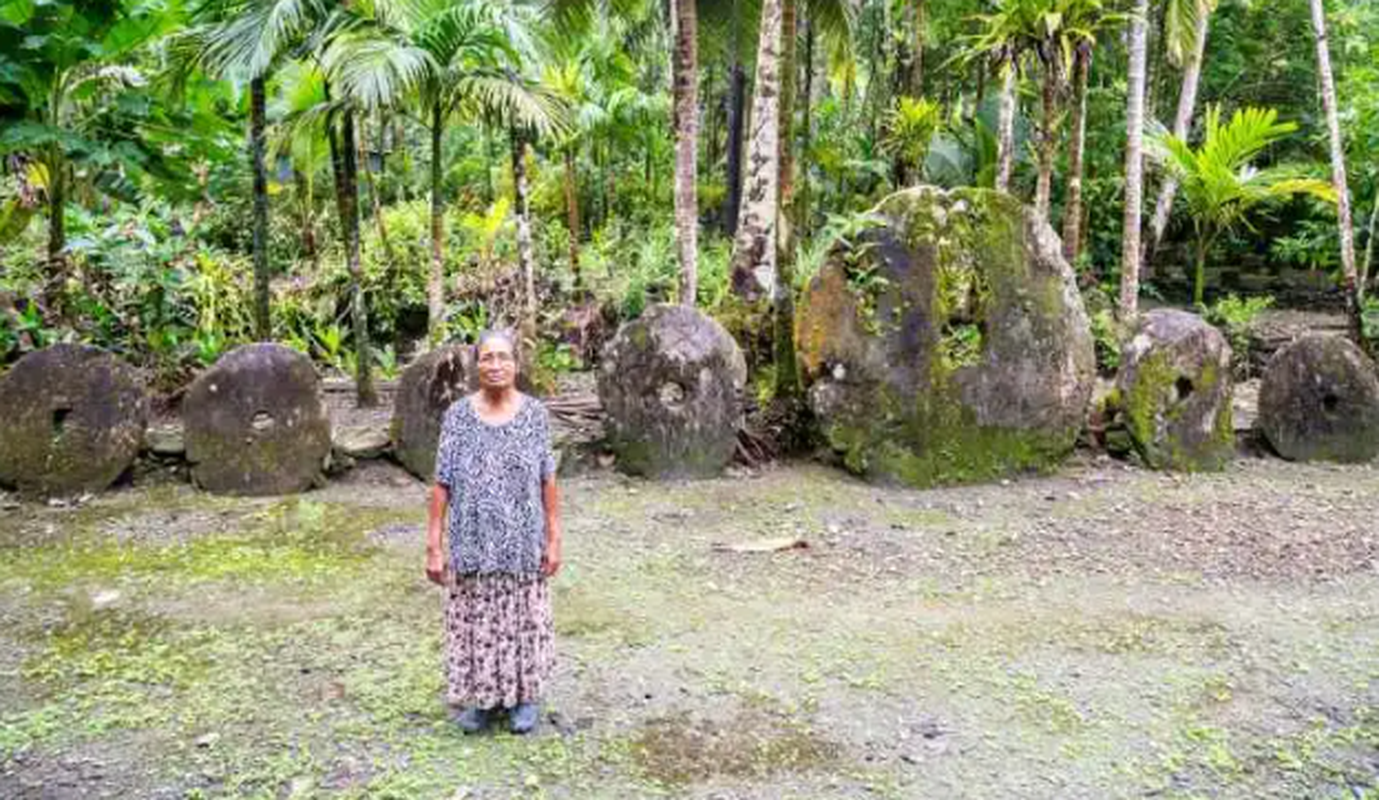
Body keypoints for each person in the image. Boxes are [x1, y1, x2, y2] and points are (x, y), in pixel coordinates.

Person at [425, 329, 562, 734]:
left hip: (522, 541)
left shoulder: (535, 414)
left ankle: (523, 698)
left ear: (516, 364)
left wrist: (554, 537)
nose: (496, 365)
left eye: (503, 356)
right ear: (476, 364)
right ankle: (482, 699)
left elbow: (547, 479)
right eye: (487, 357)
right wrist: (434, 543)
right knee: (477, 620)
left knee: (523, 619)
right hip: (473, 541)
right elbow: (442, 481)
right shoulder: (458, 417)